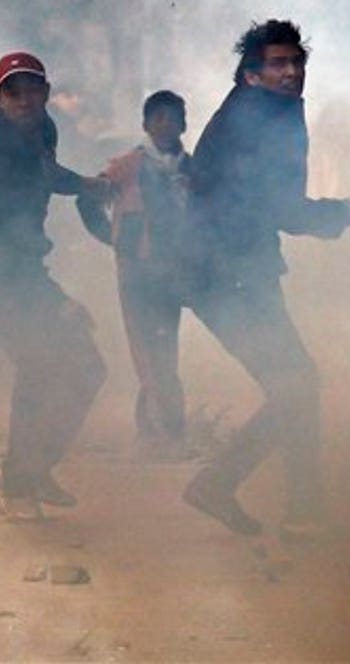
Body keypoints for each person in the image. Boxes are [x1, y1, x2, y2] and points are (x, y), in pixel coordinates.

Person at [180, 20, 350, 541]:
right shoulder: (262, 117)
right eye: (278, 64)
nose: (291, 73)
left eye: (296, 62)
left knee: (297, 383)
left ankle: (303, 510)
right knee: (297, 384)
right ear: (252, 75)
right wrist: (341, 212)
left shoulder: (253, 110)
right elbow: (279, 206)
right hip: (226, 274)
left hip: (228, 269)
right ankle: (227, 486)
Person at [0, 51, 111, 521]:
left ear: (45, 94)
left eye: (32, 89)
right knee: (39, 361)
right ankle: (19, 486)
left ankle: (32, 468)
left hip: (17, 274)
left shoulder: (42, 130)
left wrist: (86, 185)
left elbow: (48, 173)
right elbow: (0, 251)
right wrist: (56, 303)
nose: (24, 99)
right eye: (12, 92)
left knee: (86, 367)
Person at [83, 90, 197, 456]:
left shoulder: (191, 168)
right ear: (145, 125)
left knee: (164, 348)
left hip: (173, 271)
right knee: (147, 350)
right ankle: (165, 433)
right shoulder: (128, 165)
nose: (166, 125)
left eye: (173, 118)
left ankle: (159, 431)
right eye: (158, 118)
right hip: (136, 271)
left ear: (183, 124)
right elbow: (88, 198)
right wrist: (113, 239)